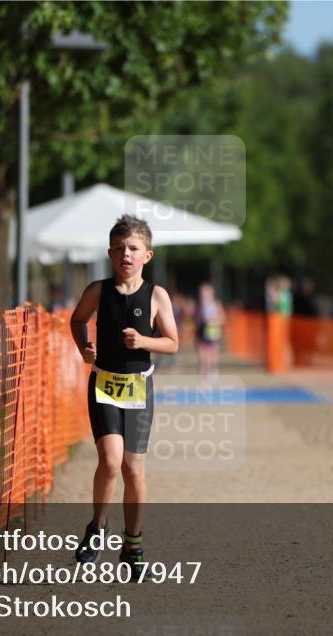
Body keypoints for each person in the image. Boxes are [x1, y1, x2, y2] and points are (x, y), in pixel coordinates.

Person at [69, 215, 179, 579]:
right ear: (109, 253)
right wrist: (84, 347)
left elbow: (173, 343)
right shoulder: (98, 290)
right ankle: (97, 527)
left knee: (134, 468)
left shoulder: (157, 296)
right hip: (104, 384)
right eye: (118, 249)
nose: (125, 255)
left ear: (147, 255)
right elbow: (77, 319)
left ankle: (133, 543)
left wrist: (144, 341)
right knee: (111, 461)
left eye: (132, 248)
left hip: (139, 387)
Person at [195, 283, 225, 379]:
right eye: (202, 293)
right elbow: (196, 319)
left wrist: (214, 321)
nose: (203, 295)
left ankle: (212, 370)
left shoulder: (216, 304)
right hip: (202, 330)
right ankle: (203, 375)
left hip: (213, 331)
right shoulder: (199, 305)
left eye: (205, 293)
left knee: (212, 354)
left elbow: (223, 318)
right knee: (202, 354)